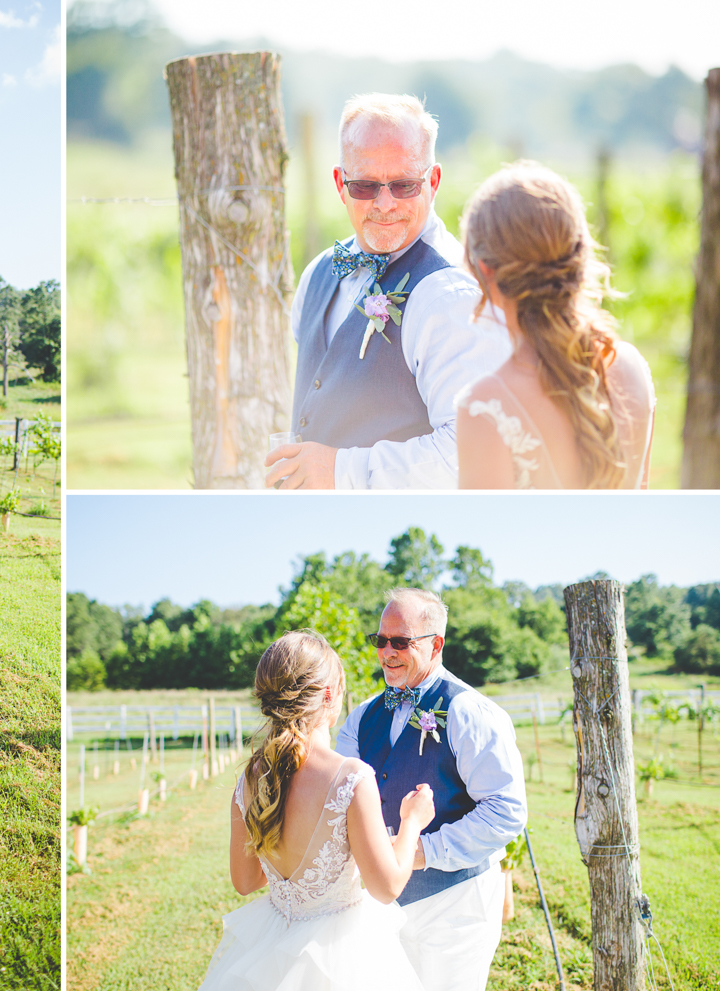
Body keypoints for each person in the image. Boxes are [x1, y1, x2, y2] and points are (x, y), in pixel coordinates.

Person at [265, 93, 510, 490]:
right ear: (340, 184)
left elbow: (471, 456)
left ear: (432, 182)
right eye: (364, 186)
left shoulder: (450, 296)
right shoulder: (317, 274)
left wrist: (339, 471)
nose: (384, 203)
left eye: (403, 185)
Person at [198, 630, 434, 991]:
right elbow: (387, 887)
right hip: (342, 955)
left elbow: (245, 883)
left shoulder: (250, 778)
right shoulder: (351, 777)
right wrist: (412, 822)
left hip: (271, 947)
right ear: (329, 695)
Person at [335, 588, 528, 991]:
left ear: (435, 644)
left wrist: (421, 852)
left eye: (400, 642)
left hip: (455, 905)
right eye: (380, 640)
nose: (387, 652)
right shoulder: (360, 718)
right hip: (379, 906)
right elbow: (340, 799)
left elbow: (506, 810)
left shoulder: (470, 712)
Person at [456, 161, 656, 488]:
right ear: (579, 253)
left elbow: (482, 540)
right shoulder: (629, 368)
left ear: (485, 271)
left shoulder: (485, 408)